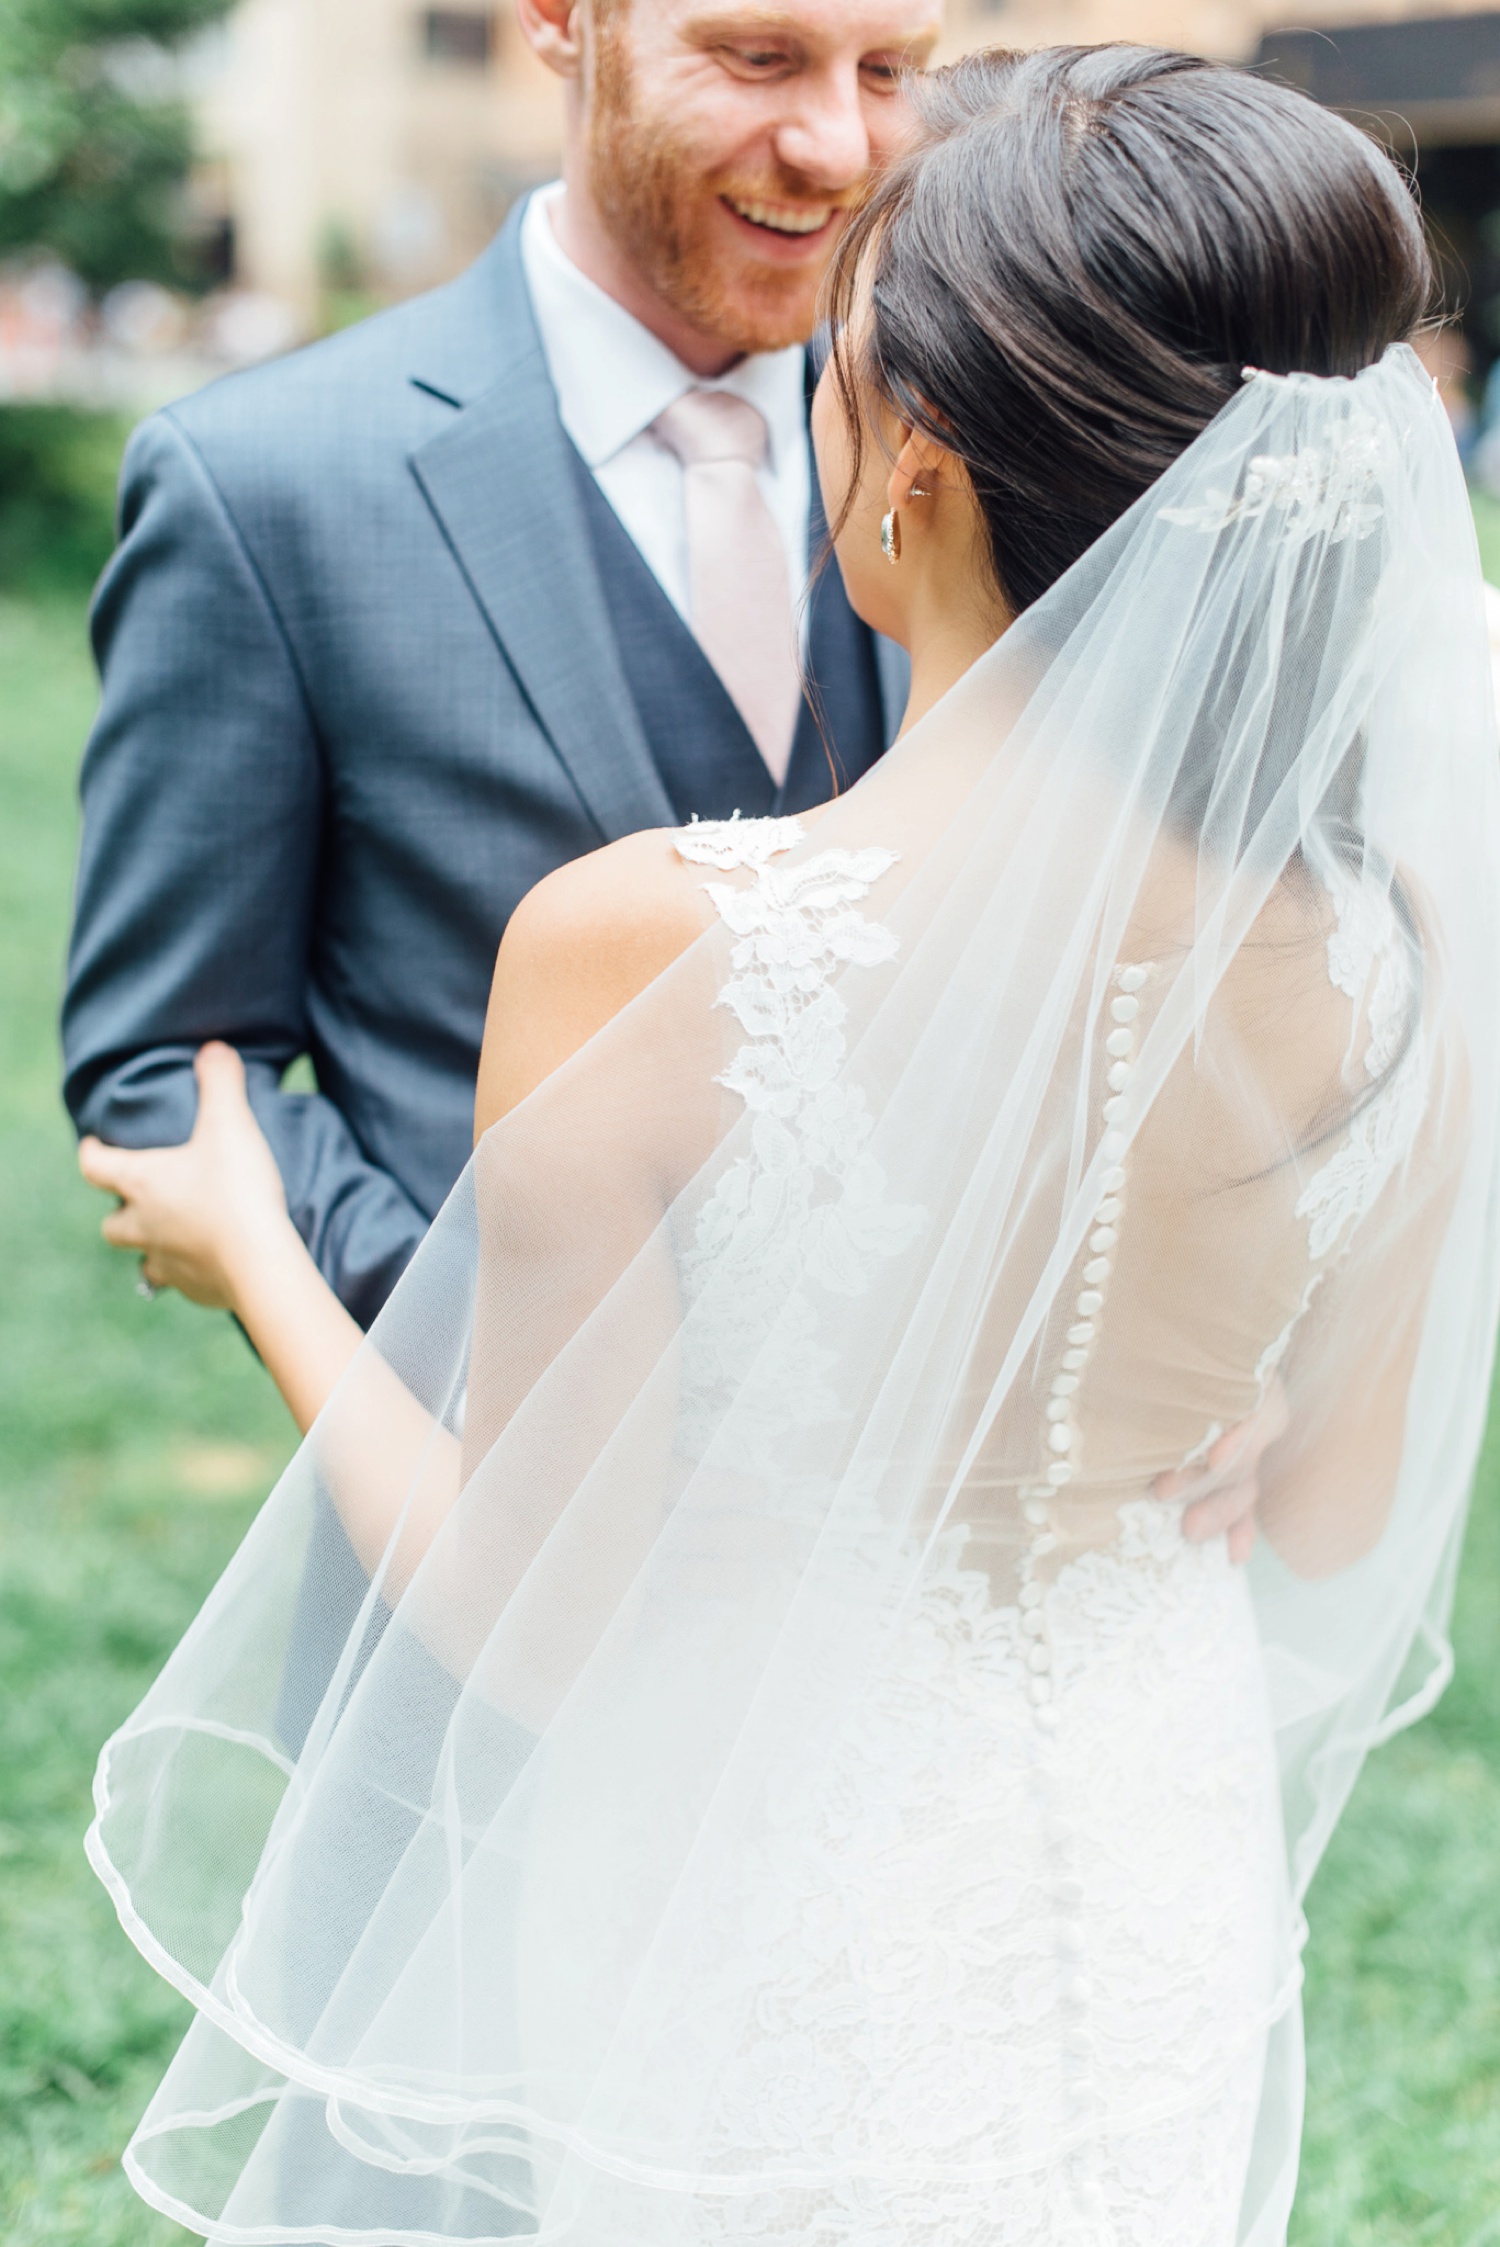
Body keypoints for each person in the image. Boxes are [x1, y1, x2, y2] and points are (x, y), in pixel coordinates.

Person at [85, 44, 1500, 2247]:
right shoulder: (1398, 949)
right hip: (1144, 1847)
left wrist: (254, 1240)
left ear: (908, 470)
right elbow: (1321, 1502)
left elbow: (533, 1618)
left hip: (765, 1892)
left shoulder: (656, 948)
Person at [64, 0, 940, 1332]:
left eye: (889, 72)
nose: (834, 144)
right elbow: (173, 1064)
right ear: (558, 20)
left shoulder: (971, 446)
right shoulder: (264, 485)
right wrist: (490, 1359)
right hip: (475, 1492)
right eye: (757, 58)